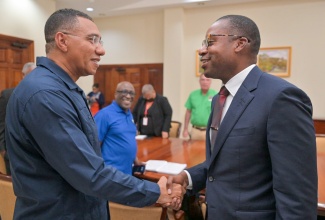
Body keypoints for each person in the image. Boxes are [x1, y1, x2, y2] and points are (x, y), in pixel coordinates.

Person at [5, 9, 184, 219]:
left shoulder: (63, 88)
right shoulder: (46, 95)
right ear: (62, 41)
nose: (101, 50)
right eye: (93, 40)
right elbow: (89, 173)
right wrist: (154, 192)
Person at [168, 15, 317, 219]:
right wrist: (188, 177)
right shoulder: (218, 99)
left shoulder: (281, 98)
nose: (202, 50)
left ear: (240, 43)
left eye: (210, 42)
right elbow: (226, 164)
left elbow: (296, 194)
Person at [94, 81, 144, 175]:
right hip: (110, 175)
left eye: (131, 93)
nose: (128, 96)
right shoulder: (104, 115)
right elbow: (93, 146)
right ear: (116, 94)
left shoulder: (129, 114)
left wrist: (134, 158)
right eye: (124, 92)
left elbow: (126, 138)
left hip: (127, 173)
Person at [0, 62, 36, 175]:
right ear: (23, 75)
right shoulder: (7, 95)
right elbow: (1, 123)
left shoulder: (43, 94)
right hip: (13, 153)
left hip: (37, 155)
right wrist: (3, 149)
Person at [182, 73, 217, 140]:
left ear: (210, 81)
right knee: (193, 150)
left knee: (208, 150)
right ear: (199, 81)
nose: (205, 82)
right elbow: (188, 112)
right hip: (195, 131)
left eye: (207, 80)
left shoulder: (215, 95)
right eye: (203, 80)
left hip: (209, 131)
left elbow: (219, 114)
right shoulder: (193, 95)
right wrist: (185, 129)